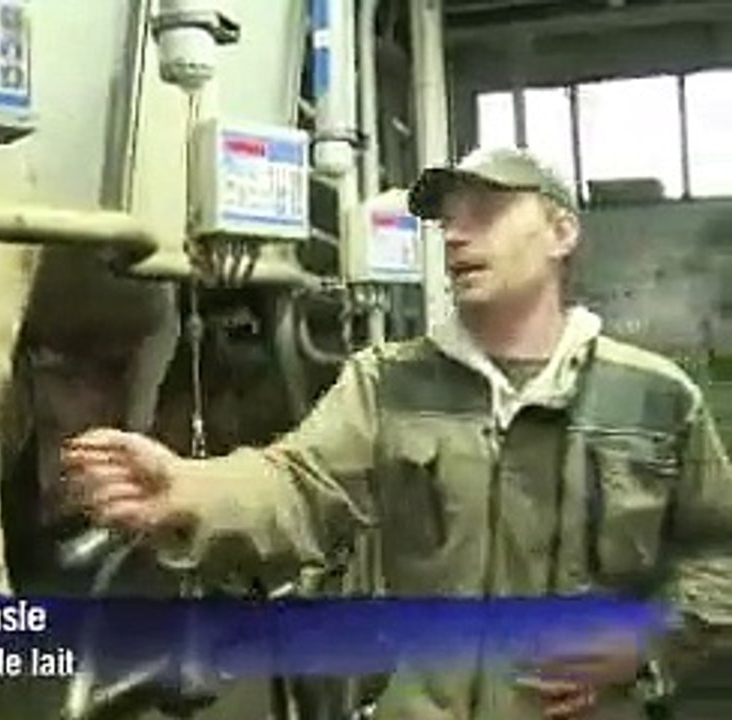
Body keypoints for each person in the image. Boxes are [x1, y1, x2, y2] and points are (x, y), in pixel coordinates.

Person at [61, 147, 732, 720]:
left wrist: (647, 643)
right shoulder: (390, 382)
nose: (455, 235)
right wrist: (188, 488)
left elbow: (719, 558)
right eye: (447, 220)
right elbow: (298, 482)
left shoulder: (655, 397)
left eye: (486, 213)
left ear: (561, 231)